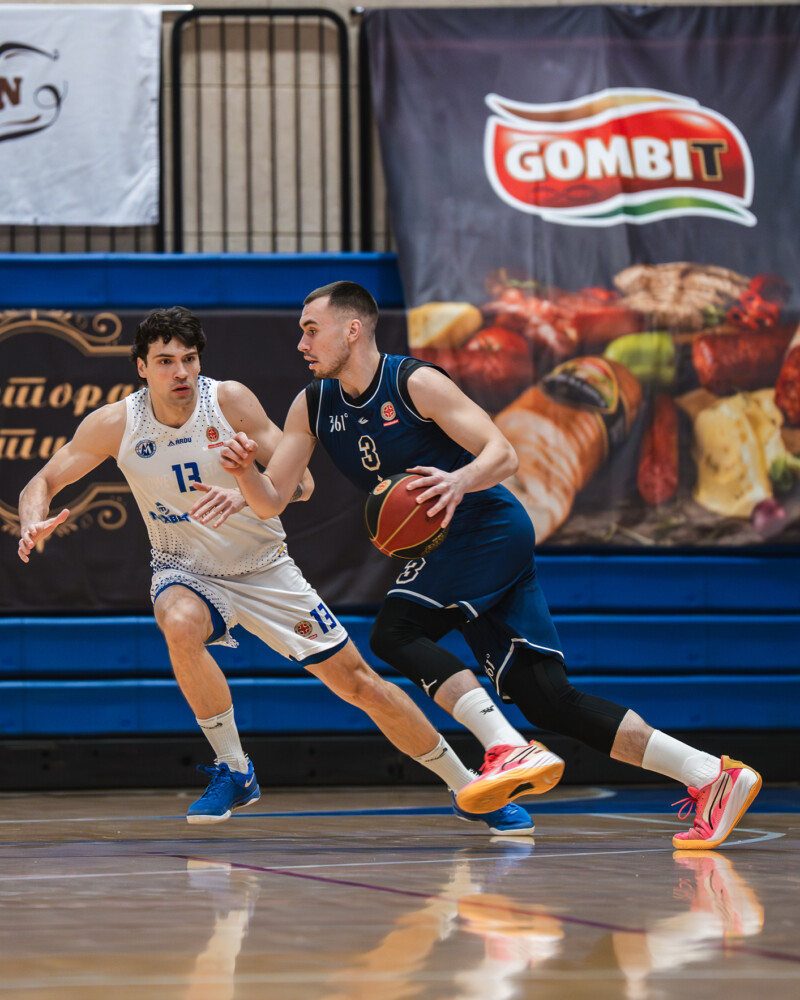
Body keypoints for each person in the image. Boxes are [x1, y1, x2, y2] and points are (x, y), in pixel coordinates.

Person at [217, 281, 763, 850]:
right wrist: (244, 473)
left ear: (352, 330)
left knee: (396, 632)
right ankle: (712, 776)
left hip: (486, 524)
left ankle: (507, 748)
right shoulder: (312, 405)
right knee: (547, 698)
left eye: (312, 329)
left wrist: (458, 481)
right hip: (452, 546)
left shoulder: (414, 383)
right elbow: (273, 499)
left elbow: (503, 453)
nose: (302, 342)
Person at [16, 305, 534, 835]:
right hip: (183, 568)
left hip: (264, 568)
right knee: (179, 621)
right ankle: (234, 767)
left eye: (189, 359)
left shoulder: (229, 402)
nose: (180, 372)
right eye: (166, 361)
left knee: (361, 685)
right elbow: (44, 481)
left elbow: (301, 486)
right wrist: (33, 521)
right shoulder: (115, 424)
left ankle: (467, 786)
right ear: (141, 367)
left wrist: (245, 479)